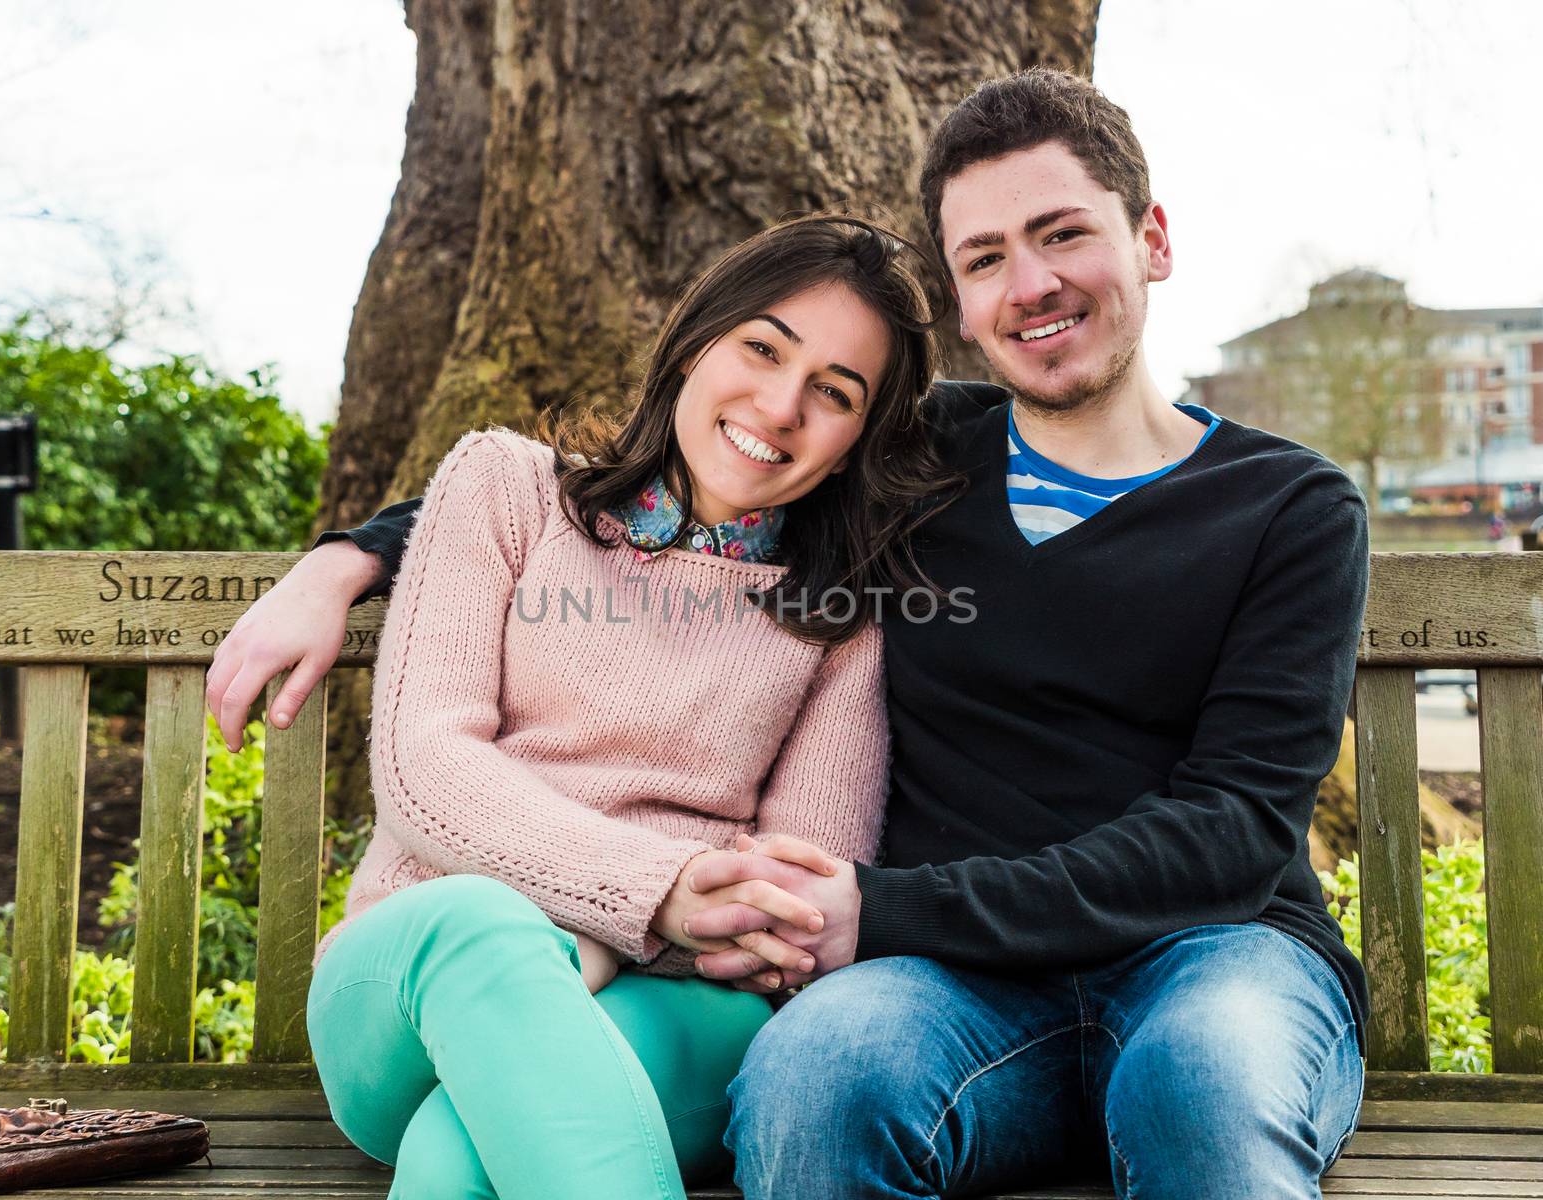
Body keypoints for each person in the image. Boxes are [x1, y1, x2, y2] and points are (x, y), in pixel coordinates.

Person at [213, 71, 1371, 1200]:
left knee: (1201, 1086)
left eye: (1063, 234)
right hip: (943, 988)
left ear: (1150, 239)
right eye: (983, 258)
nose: (1029, 284)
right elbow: (595, 492)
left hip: (1208, 948)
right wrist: (345, 557)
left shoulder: (1287, 509)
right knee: (816, 1082)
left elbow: (1230, 827)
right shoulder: (923, 467)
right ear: (962, 302)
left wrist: (857, 910)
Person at [211, 213, 960, 1200]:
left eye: (834, 393)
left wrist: (617, 941)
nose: (781, 406)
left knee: (458, 1154)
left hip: (677, 1015)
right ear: (696, 342)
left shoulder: (837, 618)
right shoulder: (506, 491)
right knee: (476, 924)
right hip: (412, 985)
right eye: (762, 349)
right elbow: (424, 772)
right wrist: (632, 905)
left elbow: (785, 917)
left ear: (859, 436)